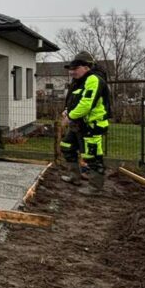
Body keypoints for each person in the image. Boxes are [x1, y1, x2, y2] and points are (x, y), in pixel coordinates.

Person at [60, 51, 110, 191]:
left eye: (75, 68)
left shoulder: (94, 79)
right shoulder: (79, 81)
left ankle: (95, 187)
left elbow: (86, 104)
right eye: (71, 69)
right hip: (79, 124)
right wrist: (67, 110)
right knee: (67, 146)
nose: (72, 72)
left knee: (92, 156)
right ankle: (74, 177)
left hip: (92, 125)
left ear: (86, 67)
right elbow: (73, 100)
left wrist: (70, 116)